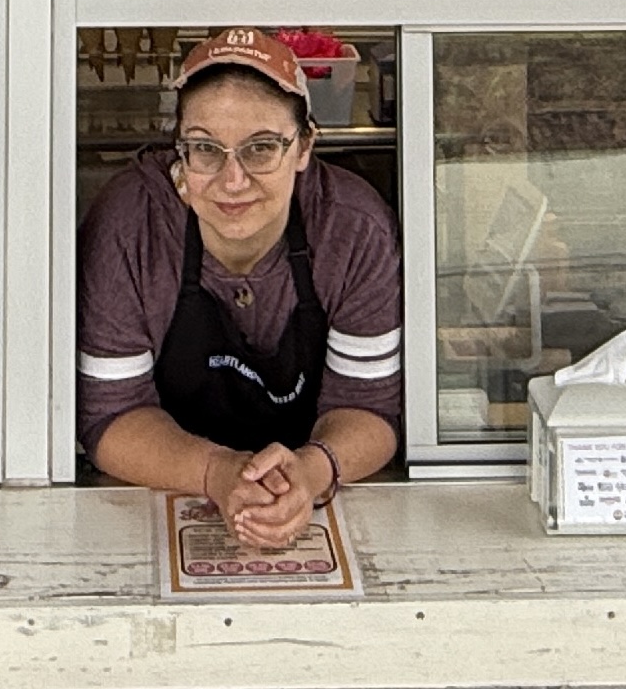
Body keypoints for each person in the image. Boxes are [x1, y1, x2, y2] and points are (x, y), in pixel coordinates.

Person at [79, 28, 400, 552]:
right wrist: (219, 473)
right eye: (206, 149)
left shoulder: (351, 228)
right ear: (178, 151)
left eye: (261, 149)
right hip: (151, 499)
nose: (233, 180)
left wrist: (310, 472)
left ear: (304, 147)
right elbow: (111, 416)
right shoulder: (131, 224)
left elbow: (371, 409)